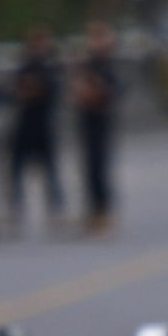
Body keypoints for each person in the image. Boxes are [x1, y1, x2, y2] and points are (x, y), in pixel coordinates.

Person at [3, 27, 65, 234]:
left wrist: (33, 88)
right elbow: (17, 91)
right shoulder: (24, 66)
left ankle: (55, 211)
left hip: (44, 124)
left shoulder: (51, 66)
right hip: (24, 124)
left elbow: (47, 90)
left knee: (50, 170)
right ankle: (15, 209)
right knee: (16, 168)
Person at [69, 22, 121, 236]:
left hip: (101, 120)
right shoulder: (88, 64)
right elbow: (76, 91)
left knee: (100, 166)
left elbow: (110, 92)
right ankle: (93, 210)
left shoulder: (106, 65)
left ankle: (103, 210)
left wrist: (95, 91)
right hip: (86, 120)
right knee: (88, 167)